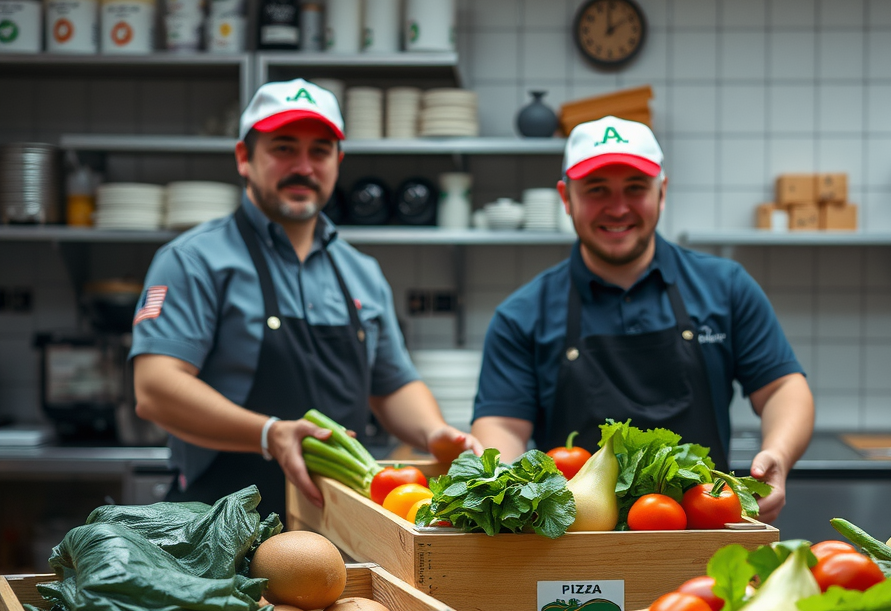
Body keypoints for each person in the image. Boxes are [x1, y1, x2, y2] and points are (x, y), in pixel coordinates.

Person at [131, 79, 479, 516]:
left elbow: (392, 386)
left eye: (319, 151)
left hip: (338, 524)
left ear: (338, 161)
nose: (304, 166)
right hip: (217, 524)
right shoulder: (193, 260)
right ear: (244, 157)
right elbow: (155, 389)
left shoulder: (361, 273)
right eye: (283, 148)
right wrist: (269, 433)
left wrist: (434, 432)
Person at [470, 116, 813, 522]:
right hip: (572, 541)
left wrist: (778, 453)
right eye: (597, 190)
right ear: (566, 198)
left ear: (662, 192)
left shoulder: (726, 287)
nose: (618, 208)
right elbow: (502, 425)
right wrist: (508, 487)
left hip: (704, 527)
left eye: (636, 188)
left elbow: (782, 388)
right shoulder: (523, 314)